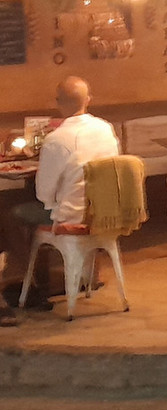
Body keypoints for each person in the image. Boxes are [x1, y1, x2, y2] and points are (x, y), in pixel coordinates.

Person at [4, 76, 121, 323]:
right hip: (103, 211)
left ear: (58, 103)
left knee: (11, 215)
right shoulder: (105, 129)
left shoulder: (57, 139)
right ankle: (50, 277)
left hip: (70, 215)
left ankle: (27, 280)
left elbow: (43, 194)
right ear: (89, 100)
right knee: (34, 211)